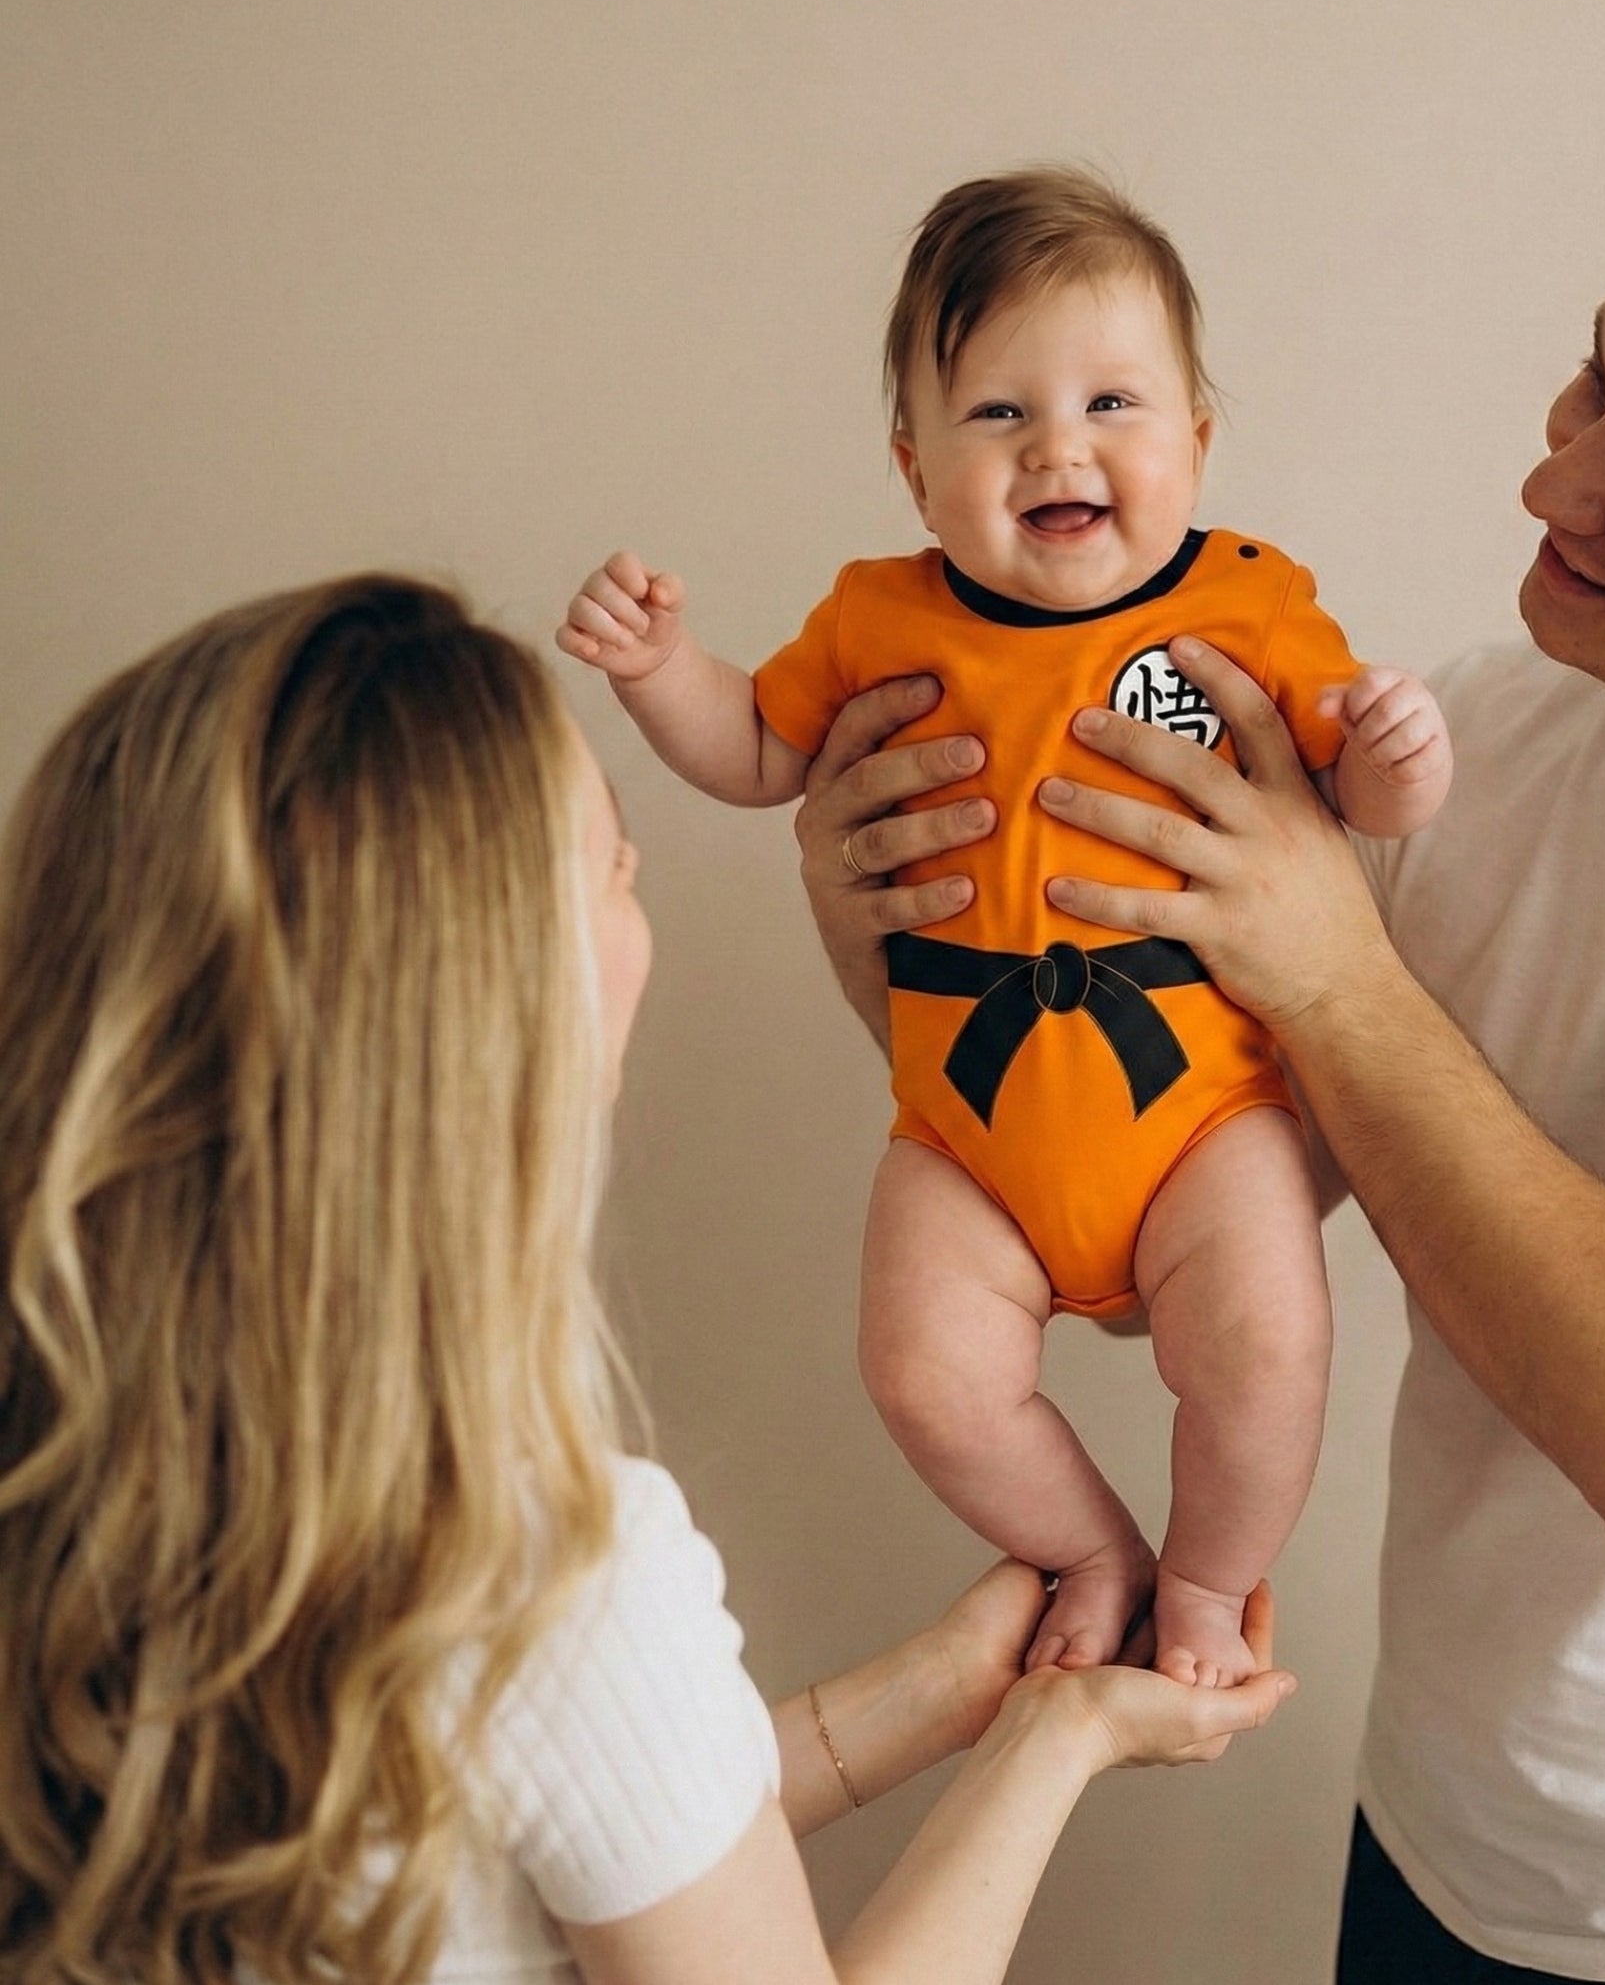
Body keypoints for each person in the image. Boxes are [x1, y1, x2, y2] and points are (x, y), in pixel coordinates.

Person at [794, 108, 1605, 1983]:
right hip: (1441, 1837)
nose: (1554, 483)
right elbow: (1123, 1243)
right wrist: (866, 922)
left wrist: (1337, 977)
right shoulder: (1489, 734)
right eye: (1594, 383)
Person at [0, 574, 1294, 1985]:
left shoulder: (73, 1476)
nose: (639, 916)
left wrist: (942, 1689)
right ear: (502, 1010)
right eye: (617, 865)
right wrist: (1060, 1740)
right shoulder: (535, 1576)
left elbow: (567, 1818)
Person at [557, 166, 1452, 1688]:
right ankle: (1093, 1551)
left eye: (1113, 403)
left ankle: (1206, 1583)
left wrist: (1397, 754)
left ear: (1197, 443)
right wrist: (659, 672)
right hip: (966, 1123)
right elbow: (758, 753)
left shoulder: (1246, 607)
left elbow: (1353, 796)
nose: (1059, 446)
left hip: (1199, 1108)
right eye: (997, 413)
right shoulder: (878, 617)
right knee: (921, 1371)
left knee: (1266, 1348)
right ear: (917, 474)